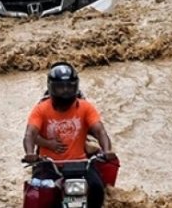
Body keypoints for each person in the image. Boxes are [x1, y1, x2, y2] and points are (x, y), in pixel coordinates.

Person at [22, 62, 116, 208]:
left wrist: (107, 150)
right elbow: (30, 134)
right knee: (40, 195)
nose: (65, 91)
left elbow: (100, 131)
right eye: (60, 87)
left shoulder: (85, 107)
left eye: (69, 86)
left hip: (82, 165)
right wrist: (29, 153)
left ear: (75, 87)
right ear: (51, 87)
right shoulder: (41, 109)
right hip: (48, 165)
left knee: (97, 188)